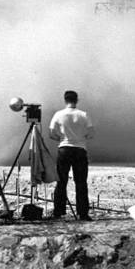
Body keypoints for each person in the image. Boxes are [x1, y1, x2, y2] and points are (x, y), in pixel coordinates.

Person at [49, 89, 94, 221]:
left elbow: (51, 133)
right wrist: (81, 138)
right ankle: (83, 213)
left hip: (64, 149)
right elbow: (91, 133)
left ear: (65, 100)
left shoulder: (59, 114)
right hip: (80, 149)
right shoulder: (83, 115)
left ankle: (58, 211)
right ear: (77, 100)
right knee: (80, 182)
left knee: (61, 181)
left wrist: (62, 138)